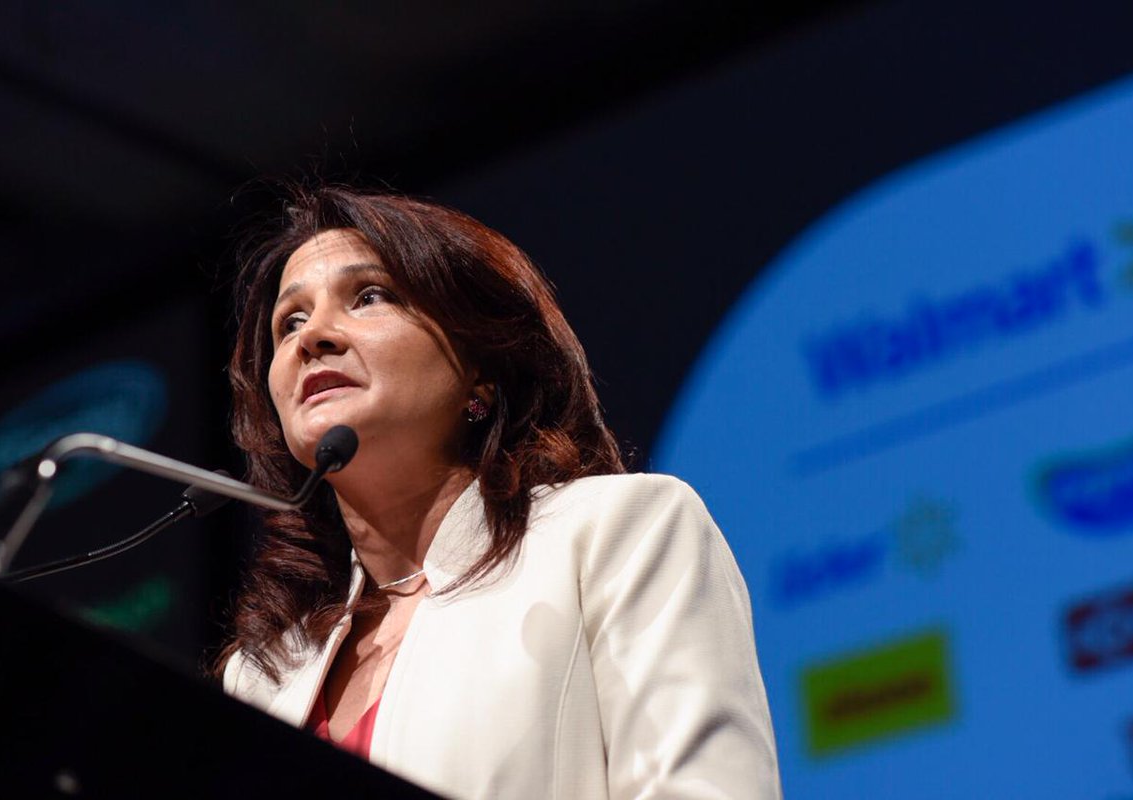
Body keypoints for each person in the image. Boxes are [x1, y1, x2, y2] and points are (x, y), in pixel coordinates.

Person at [216, 185, 781, 799]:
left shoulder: (617, 534)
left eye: (369, 296)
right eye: (290, 322)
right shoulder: (264, 674)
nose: (312, 337)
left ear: (480, 370)